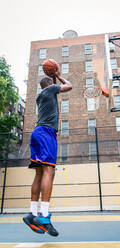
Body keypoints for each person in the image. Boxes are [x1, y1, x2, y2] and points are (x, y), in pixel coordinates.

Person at [23, 67, 72, 236]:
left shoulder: (40, 95)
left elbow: (55, 89)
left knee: (39, 174)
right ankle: (44, 216)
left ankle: (32, 213)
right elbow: (69, 86)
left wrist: (52, 79)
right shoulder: (51, 89)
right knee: (49, 172)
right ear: (50, 84)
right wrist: (58, 75)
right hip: (46, 134)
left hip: (36, 134)